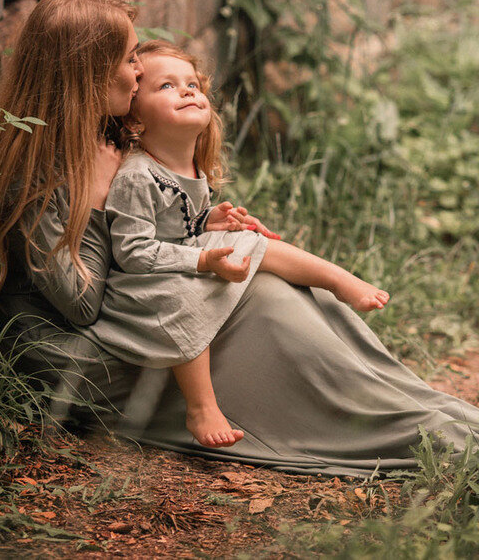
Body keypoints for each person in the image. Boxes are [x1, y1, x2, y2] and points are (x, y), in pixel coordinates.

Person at [0, 0, 479, 478]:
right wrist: (99, 201)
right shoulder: (36, 178)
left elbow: (141, 229)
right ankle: (407, 429)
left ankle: (421, 406)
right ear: (90, 74)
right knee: (259, 304)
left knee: (273, 283)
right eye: (128, 58)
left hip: (133, 313)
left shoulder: (100, 136)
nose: (138, 71)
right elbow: (81, 304)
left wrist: (204, 226)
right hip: (84, 360)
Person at [98, 40, 390, 448]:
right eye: (166, 86)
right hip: (141, 283)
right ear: (135, 121)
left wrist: (208, 221)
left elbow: (175, 223)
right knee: (180, 295)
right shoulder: (137, 177)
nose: (186, 91)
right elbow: (132, 252)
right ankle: (201, 408)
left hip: (178, 256)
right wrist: (202, 259)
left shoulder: (187, 162)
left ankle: (336, 279)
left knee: (248, 239)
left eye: (192, 84)